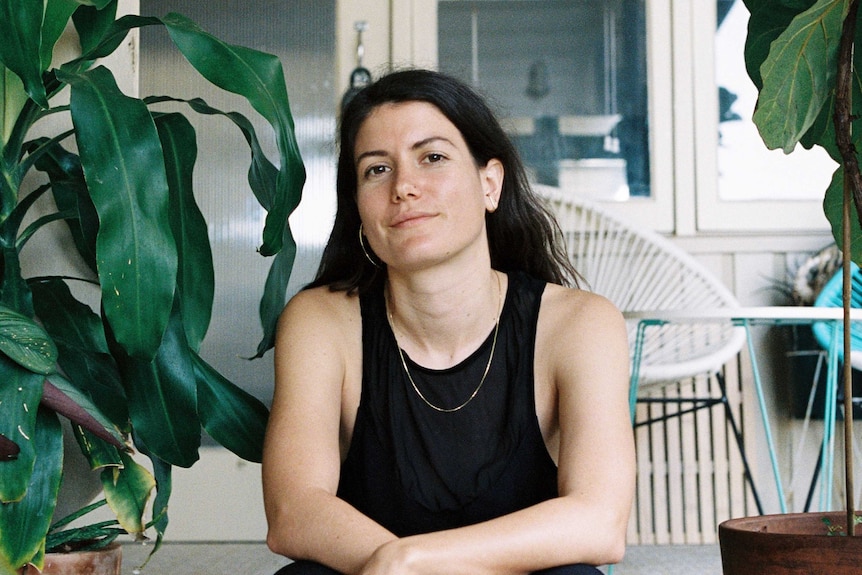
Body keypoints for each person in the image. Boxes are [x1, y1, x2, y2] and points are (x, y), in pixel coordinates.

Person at [262, 68, 635, 575]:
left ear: (489, 183)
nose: (404, 188)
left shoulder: (580, 323)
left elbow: (599, 524)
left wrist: (409, 559)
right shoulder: (320, 321)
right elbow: (294, 512)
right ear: (357, 206)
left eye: (432, 158)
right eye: (376, 169)